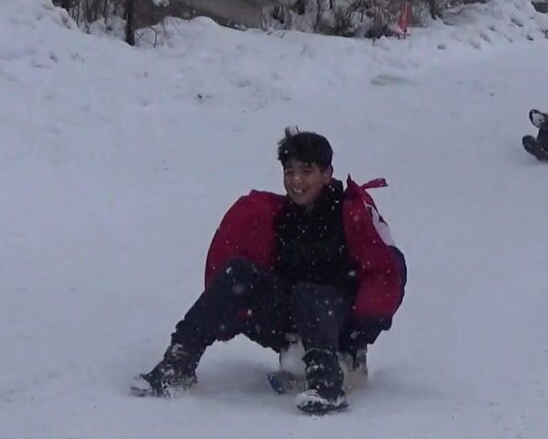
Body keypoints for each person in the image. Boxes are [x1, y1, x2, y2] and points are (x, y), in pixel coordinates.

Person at [132, 129, 406, 415]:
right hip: (292, 319)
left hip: (338, 321)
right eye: (290, 172)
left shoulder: (350, 214)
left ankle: (327, 384)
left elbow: (383, 272)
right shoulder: (279, 216)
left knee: (309, 291)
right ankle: (179, 363)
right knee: (239, 273)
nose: (296, 181)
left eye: (306, 171)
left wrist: (359, 334)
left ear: (327, 174)